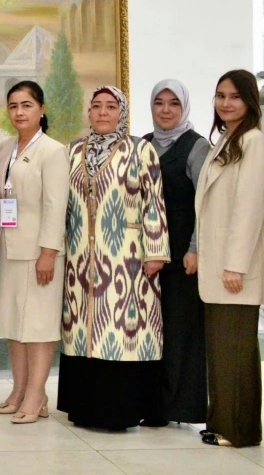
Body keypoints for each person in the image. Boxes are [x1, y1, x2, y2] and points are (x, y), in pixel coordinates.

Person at [58, 86, 169, 431]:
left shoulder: (140, 150)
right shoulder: (73, 151)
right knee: (84, 329)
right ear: (88, 112)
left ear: (122, 113)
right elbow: (62, 206)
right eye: (96, 106)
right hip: (80, 257)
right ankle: (84, 409)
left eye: (110, 106)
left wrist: (155, 251)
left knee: (121, 331)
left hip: (128, 257)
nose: (103, 112)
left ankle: (120, 411)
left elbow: (154, 202)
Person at [0, 81, 68, 425]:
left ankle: (36, 394)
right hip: (6, 249)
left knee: (38, 326)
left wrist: (48, 252)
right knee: (13, 324)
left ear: (41, 110)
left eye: (27, 105)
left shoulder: (53, 151)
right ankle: (19, 390)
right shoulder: (4, 148)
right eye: (13, 106)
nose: (19, 112)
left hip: (38, 252)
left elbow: (56, 205)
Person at [194, 69, 264, 447]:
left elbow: (250, 209)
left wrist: (235, 264)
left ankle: (239, 431)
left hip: (235, 268)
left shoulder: (254, 141)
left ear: (249, 100)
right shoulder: (226, 139)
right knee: (223, 350)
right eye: (220, 96)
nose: (226, 103)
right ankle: (223, 422)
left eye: (235, 96)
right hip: (217, 265)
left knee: (234, 350)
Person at [144, 79, 210, 427]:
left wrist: (196, 249)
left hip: (183, 257)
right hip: (146, 259)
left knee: (181, 333)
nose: (166, 110)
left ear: (184, 108)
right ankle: (153, 407)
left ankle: (180, 408)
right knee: (151, 332)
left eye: (174, 104)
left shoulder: (196, 147)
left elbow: (206, 202)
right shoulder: (143, 144)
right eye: (159, 103)